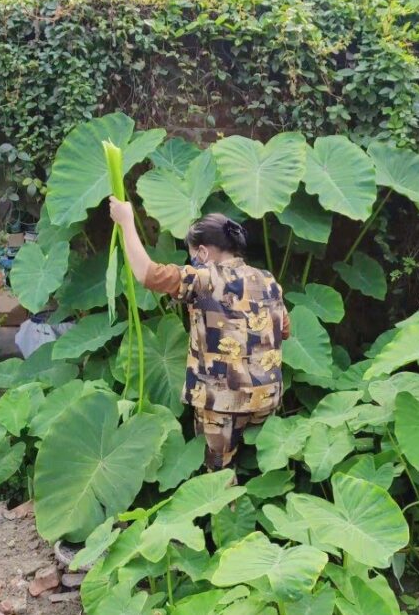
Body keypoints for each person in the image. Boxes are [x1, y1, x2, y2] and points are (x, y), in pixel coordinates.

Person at [109, 198, 290, 471]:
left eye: (193, 253)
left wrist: (126, 223)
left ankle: (226, 511)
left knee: (218, 479)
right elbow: (284, 330)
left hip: (223, 403)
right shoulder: (267, 279)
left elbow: (149, 274)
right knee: (265, 471)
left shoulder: (204, 278)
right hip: (267, 398)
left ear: (203, 253)